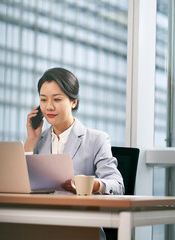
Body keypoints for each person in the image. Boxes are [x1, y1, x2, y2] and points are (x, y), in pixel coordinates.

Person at [24, 67, 124, 195]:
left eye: (57, 99)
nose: (49, 106)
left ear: (73, 102)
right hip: (44, 211)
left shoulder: (97, 139)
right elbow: (25, 186)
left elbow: (118, 185)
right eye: (43, 99)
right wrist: (31, 139)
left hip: (78, 212)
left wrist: (93, 185)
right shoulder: (38, 140)